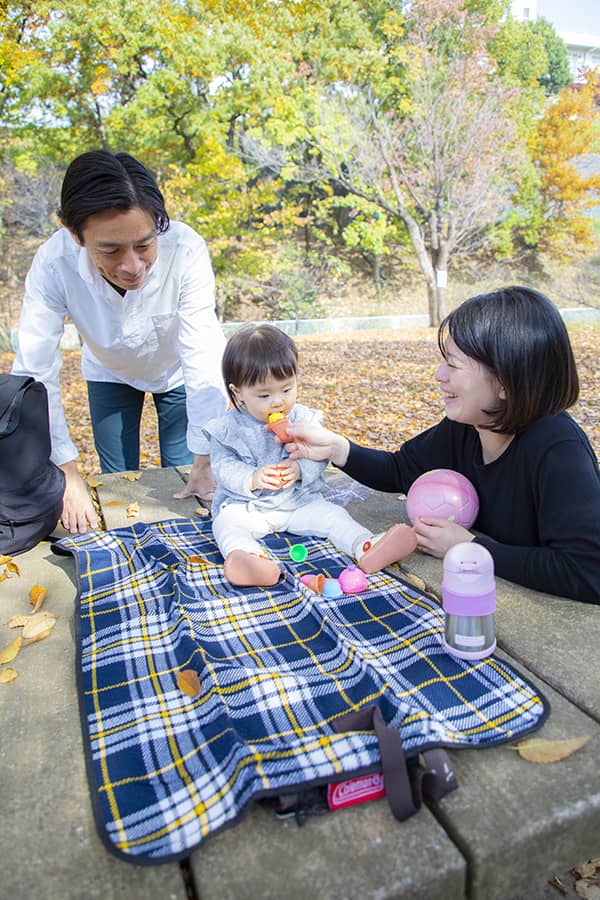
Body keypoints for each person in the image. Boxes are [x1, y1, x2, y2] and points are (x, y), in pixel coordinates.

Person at [283, 287, 600, 605]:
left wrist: (471, 548)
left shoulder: (559, 451)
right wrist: (338, 449)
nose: (438, 375)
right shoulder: (466, 426)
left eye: (454, 364)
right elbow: (401, 470)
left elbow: (587, 570)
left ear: (504, 381)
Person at [12, 149, 228, 534]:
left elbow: (203, 350)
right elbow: (34, 371)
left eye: (144, 245)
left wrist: (205, 455)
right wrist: (65, 473)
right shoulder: (52, 262)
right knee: (118, 480)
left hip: (177, 372)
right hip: (107, 371)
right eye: (110, 250)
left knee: (181, 473)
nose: (132, 266)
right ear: (72, 231)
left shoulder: (186, 248)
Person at [203, 323, 417, 587]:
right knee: (226, 524)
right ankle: (249, 558)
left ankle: (366, 545)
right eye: (264, 394)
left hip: (299, 501)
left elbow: (321, 456)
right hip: (249, 507)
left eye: (286, 389)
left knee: (333, 516)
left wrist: (301, 469)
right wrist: (252, 477)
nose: (278, 402)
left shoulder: (303, 419)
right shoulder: (228, 428)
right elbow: (222, 467)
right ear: (238, 393)